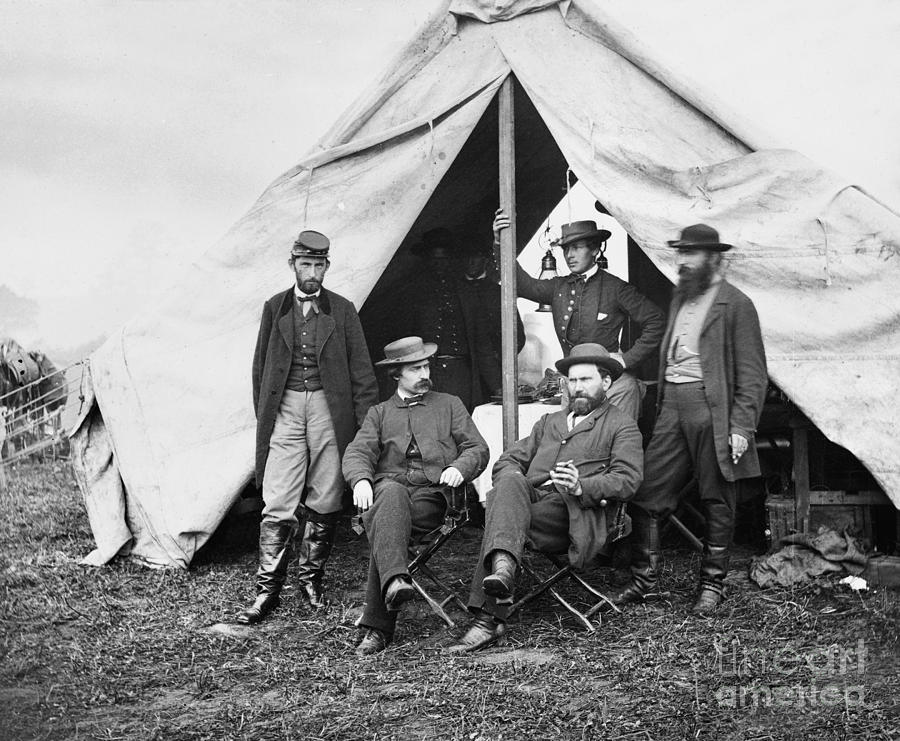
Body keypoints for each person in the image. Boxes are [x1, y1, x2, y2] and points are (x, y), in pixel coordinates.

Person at [608, 223, 767, 614]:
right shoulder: (681, 298)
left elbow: (753, 374)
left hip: (712, 408)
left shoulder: (737, 304)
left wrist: (742, 426)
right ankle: (643, 579)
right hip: (673, 406)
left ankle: (713, 585)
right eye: (680, 253)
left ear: (713, 259)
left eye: (691, 254)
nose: (682, 261)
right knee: (648, 490)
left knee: (717, 496)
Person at [451, 343, 644, 651]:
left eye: (586, 380)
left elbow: (628, 480)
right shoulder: (549, 423)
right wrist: (513, 485)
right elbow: (506, 461)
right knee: (509, 483)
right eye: (572, 381)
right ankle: (502, 571)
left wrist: (583, 486)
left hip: (575, 514)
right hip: (530, 504)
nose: (577, 388)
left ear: (605, 383)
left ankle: (489, 615)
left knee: (504, 515)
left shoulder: (621, 426)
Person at [237, 229, 378, 624]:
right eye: (305, 265)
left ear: (327, 266)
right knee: (277, 498)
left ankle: (311, 579)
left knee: (327, 495)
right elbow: (260, 368)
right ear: (292, 265)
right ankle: (267, 591)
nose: (312, 272)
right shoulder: (274, 308)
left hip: (329, 409)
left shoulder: (344, 310)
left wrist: (364, 428)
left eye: (319, 265)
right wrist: (268, 414)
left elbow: (363, 374)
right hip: (285, 408)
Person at [342, 336, 489, 655]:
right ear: (396, 374)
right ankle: (395, 581)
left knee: (385, 523)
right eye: (415, 368)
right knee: (389, 495)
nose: (425, 373)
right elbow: (357, 452)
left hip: (432, 499)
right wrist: (361, 481)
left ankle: (379, 626)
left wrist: (461, 467)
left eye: (426, 366)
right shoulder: (379, 414)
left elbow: (478, 447)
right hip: (387, 492)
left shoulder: (449, 404)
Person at [492, 209, 664, 420]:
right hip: (573, 386)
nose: (569, 255)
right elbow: (521, 284)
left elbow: (656, 320)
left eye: (576, 248)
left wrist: (626, 359)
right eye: (566, 250)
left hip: (611, 385)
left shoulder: (615, 288)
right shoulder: (559, 287)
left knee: (614, 442)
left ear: (594, 250)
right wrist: (501, 244)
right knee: (574, 442)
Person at [396, 227, 507, 411]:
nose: (440, 264)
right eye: (435, 259)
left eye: (444, 259)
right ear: (427, 260)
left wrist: (497, 386)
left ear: (451, 260)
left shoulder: (467, 292)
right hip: (428, 375)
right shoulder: (414, 294)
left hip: (462, 376)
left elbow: (482, 346)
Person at [457, 239, 526, 402]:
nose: (471, 262)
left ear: (486, 260)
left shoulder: (499, 293)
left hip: (495, 373)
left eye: (476, 257)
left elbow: (518, 337)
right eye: (467, 257)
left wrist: (500, 358)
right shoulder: (456, 291)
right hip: (464, 373)